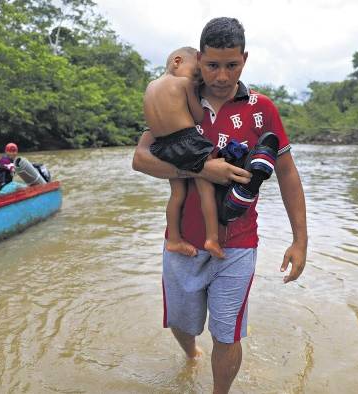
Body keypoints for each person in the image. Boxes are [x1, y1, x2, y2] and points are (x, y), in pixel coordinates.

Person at [132, 17, 307, 394]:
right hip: (182, 241)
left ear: (244, 59)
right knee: (182, 323)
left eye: (232, 65)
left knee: (227, 333)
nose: (223, 76)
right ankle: (191, 354)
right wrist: (200, 167)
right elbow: (141, 159)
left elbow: (288, 174)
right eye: (212, 65)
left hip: (239, 242)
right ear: (199, 58)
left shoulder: (262, 109)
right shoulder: (179, 95)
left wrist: (300, 241)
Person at [144, 46, 224, 259]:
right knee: (206, 188)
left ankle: (174, 239)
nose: (197, 80)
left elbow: (150, 121)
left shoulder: (150, 87)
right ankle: (212, 238)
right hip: (186, 141)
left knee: (177, 194)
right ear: (177, 62)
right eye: (196, 73)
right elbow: (198, 116)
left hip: (162, 146)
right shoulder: (184, 83)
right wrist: (196, 101)